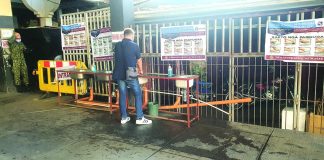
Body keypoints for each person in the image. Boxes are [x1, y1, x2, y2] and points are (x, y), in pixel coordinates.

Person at [113, 28, 152, 125]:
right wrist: (141, 70)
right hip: (130, 71)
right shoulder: (135, 46)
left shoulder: (117, 45)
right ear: (131, 35)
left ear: (124, 35)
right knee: (138, 93)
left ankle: (124, 117)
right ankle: (139, 118)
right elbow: (139, 60)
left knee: (122, 95)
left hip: (118, 72)